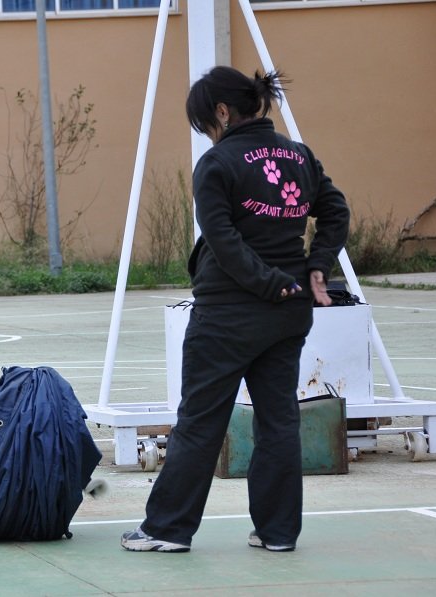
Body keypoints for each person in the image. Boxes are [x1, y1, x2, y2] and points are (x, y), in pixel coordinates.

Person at [121, 66, 350, 553]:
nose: (207, 132)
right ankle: (277, 533)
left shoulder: (218, 162)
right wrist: (315, 267)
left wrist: (270, 284)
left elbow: (222, 240)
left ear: (222, 112)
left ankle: (167, 529)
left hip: (228, 314)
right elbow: (336, 211)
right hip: (289, 312)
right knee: (279, 421)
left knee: (201, 421)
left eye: (205, 123)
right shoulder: (298, 155)